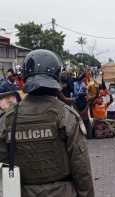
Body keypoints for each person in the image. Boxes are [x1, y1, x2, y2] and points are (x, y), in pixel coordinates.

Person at [0, 49, 94, 197]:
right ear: (57, 77)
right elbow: (81, 167)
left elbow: (2, 162)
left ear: (24, 76)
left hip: (21, 191)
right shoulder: (66, 115)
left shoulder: (8, 117)